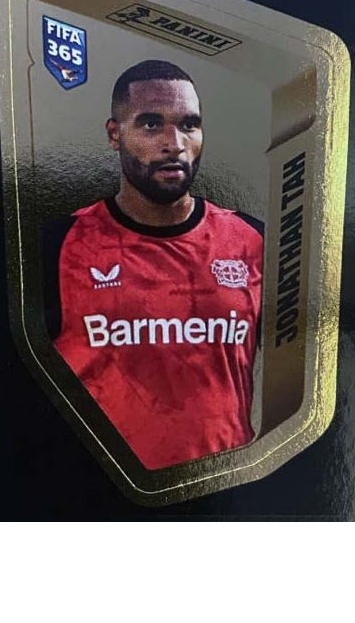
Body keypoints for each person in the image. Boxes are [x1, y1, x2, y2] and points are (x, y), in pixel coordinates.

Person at [42, 60, 263, 470]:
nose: (174, 143)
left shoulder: (253, 242)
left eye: (189, 125)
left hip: (221, 490)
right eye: (150, 125)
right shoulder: (57, 245)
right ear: (115, 134)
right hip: (98, 492)